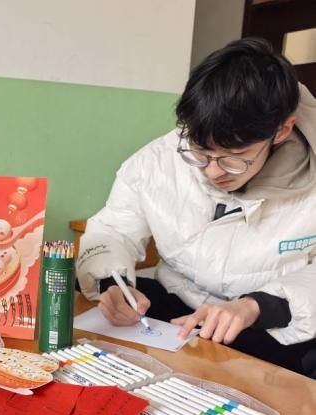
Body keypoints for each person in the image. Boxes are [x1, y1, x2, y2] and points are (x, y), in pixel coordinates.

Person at [76, 38, 316, 377]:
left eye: (234, 159)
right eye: (201, 153)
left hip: (275, 326)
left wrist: (257, 305)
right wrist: (111, 284)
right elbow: (114, 230)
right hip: (181, 309)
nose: (213, 172)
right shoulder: (158, 161)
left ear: (282, 130)